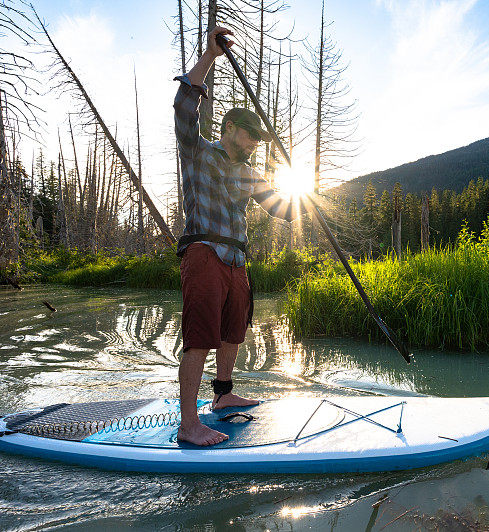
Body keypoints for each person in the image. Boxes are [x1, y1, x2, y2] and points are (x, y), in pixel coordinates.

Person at [174, 25, 299, 446]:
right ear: (228, 127)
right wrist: (209, 58)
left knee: (233, 333)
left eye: (256, 139)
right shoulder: (199, 152)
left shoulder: (249, 172)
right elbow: (183, 109)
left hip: (237, 261)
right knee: (200, 338)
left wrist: (306, 206)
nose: (251, 143)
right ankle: (189, 424)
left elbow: (279, 209)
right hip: (204, 252)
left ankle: (223, 396)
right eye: (247, 134)